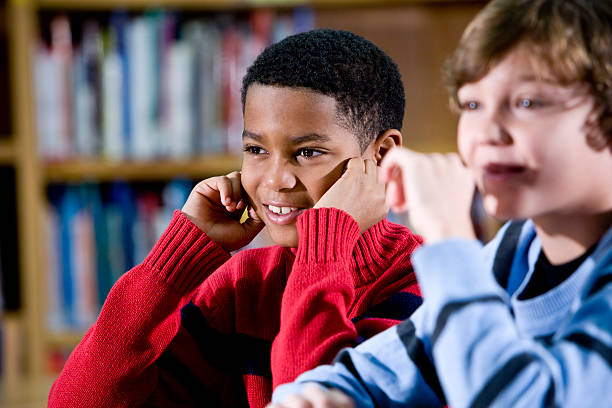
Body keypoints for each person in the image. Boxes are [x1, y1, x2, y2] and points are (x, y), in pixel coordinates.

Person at [48, 29, 424, 408]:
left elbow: (311, 399)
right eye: (256, 149)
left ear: (382, 156)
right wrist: (172, 266)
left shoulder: (429, 292)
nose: (275, 179)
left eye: (308, 152)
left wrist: (325, 243)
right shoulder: (242, 286)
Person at [269, 1, 612, 407]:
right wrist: (316, 398)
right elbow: (374, 374)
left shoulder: (466, 265)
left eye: (527, 103)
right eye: (472, 105)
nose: (486, 132)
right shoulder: (509, 258)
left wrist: (450, 237)